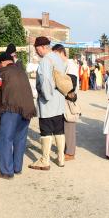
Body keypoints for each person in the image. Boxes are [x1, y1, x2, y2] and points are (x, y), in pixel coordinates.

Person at [0, 52, 37, 179]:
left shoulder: (3, 72)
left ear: (3, 62)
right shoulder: (22, 71)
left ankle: (6, 171)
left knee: (5, 139)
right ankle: (17, 168)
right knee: (20, 139)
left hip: (11, 108)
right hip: (27, 109)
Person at [29, 36, 67, 170]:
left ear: (42, 47)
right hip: (59, 99)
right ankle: (61, 158)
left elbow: (45, 80)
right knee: (59, 129)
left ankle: (45, 160)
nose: (36, 51)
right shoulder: (57, 57)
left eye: (36, 48)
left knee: (46, 130)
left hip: (48, 101)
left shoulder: (45, 60)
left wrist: (45, 95)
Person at [53, 44, 78, 161]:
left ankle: (70, 152)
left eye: (56, 54)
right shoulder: (62, 64)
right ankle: (65, 149)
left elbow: (71, 84)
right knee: (63, 126)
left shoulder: (70, 65)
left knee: (69, 126)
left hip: (68, 99)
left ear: (62, 53)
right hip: (61, 99)